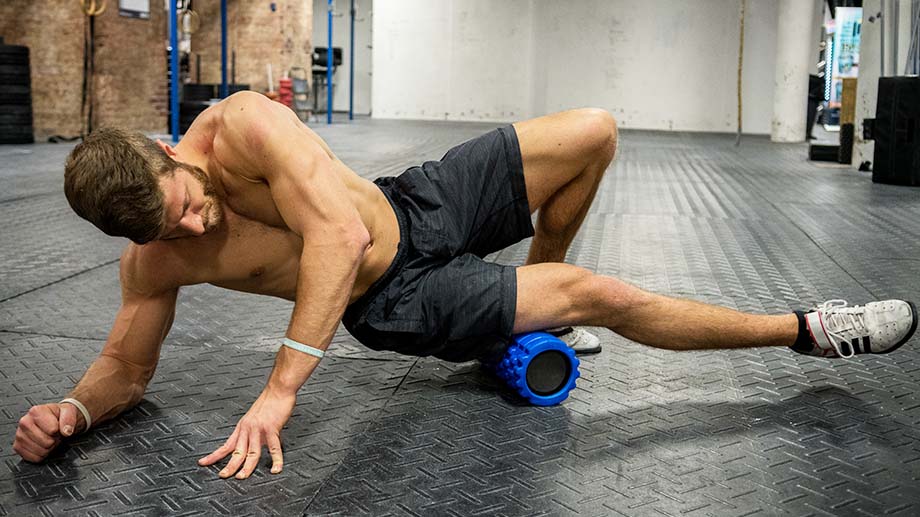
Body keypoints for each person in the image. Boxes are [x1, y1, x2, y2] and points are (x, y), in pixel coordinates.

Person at [12, 91, 917, 480]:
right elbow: (125, 367)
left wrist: (280, 389)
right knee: (595, 290)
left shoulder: (244, 126)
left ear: (172, 151)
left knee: (595, 131)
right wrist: (74, 411)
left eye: (188, 205)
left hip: (417, 203)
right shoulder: (156, 255)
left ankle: (531, 306)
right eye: (174, 232)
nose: (195, 228)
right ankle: (807, 329)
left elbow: (334, 225)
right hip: (390, 301)